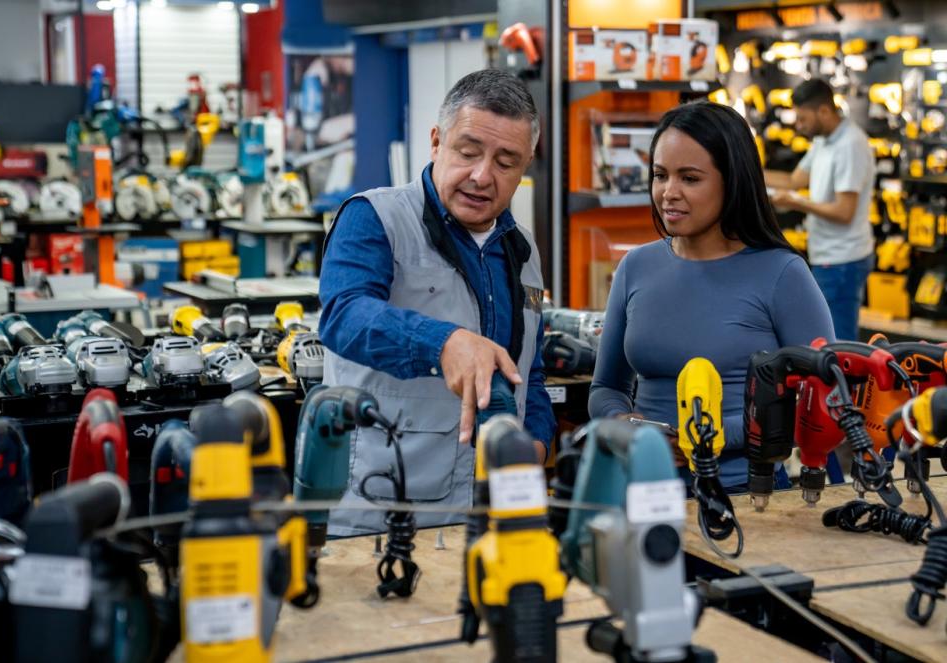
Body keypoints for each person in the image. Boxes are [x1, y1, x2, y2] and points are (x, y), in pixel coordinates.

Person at [318, 69, 556, 536]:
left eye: (506, 162)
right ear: (435, 141)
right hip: (385, 516)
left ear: (526, 165)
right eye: (468, 152)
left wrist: (537, 446)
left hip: (492, 515)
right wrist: (442, 343)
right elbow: (345, 316)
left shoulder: (522, 249)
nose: (482, 175)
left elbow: (530, 370)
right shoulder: (375, 218)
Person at [589, 101, 834, 490]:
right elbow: (606, 388)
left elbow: (822, 401)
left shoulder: (783, 274)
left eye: (689, 178)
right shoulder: (635, 267)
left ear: (732, 180)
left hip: (747, 498)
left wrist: (711, 437)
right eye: (660, 175)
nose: (669, 192)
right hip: (642, 489)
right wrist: (625, 425)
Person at [766, 78, 876, 341]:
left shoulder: (850, 145)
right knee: (826, 339)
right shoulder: (823, 141)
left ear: (824, 111)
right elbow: (795, 180)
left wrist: (796, 202)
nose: (799, 126)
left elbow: (843, 211)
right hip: (828, 256)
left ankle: (845, 384)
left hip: (842, 260)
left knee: (839, 344)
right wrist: (746, 170)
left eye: (803, 118)